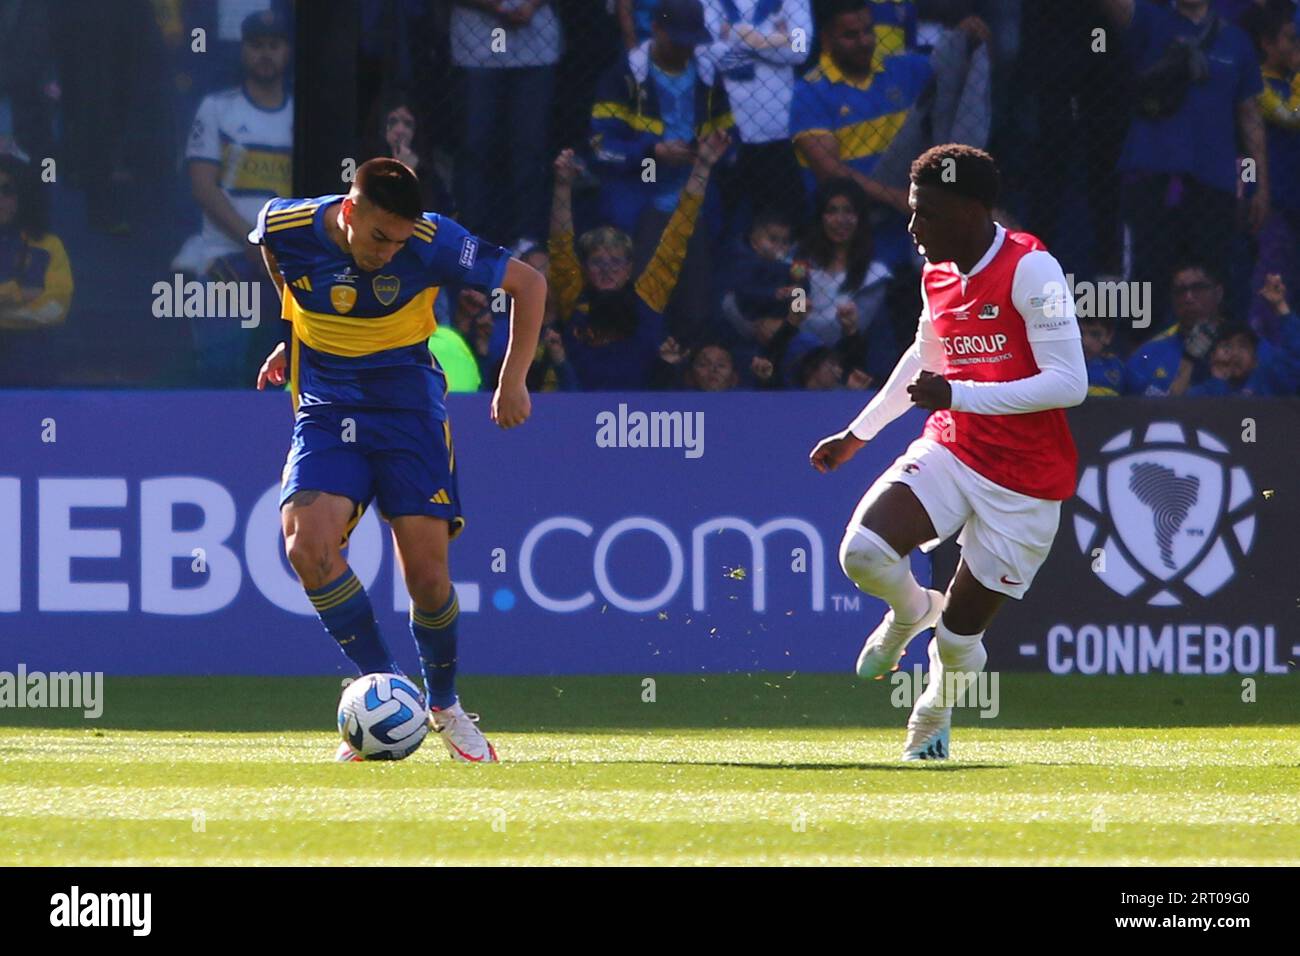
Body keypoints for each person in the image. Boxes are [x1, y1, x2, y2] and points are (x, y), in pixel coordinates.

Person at [249, 158, 546, 763]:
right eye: (380, 236)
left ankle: (443, 704)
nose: (389, 252)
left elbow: (529, 284)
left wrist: (513, 380)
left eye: (399, 241)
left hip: (407, 411)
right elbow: (275, 257)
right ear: (351, 211)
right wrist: (293, 328)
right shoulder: (287, 224)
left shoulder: (434, 240)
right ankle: (388, 691)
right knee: (307, 548)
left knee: (428, 580)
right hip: (328, 409)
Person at [808, 144, 1086, 760]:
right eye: (912, 211)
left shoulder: (1032, 269)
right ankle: (910, 611)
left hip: (1026, 481)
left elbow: (1071, 382)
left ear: (970, 210)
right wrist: (860, 433)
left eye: (926, 213)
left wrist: (959, 392)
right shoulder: (937, 273)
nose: (913, 227)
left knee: (960, 641)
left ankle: (933, 715)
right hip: (956, 449)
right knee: (863, 553)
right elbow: (924, 359)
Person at [1100, 0, 1268, 327]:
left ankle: (1206, 365)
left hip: (1214, 181)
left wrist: (1258, 185)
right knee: (1145, 281)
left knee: (1210, 280)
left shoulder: (1236, 40)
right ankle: (1143, 362)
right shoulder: (1150, 20)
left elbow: (1250, 118)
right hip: (1152, 174)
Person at [549, 132, 729, 386]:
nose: (607, 271)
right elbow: (560, 247)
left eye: (616, 263)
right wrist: (562, 186)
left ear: (629, 269)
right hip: (581, 410)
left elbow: (678, 233)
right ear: (585, 269)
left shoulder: (648, 294)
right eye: (598, 262)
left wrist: (703, 166)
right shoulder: (572, 295)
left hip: (641, 415)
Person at [173, 9, 293, 387]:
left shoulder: (301, 115)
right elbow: (202, 187)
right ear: (243, 51)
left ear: (287, 51)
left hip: (289, 264)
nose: (265, 55)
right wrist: (252, 243)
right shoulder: (217, 109)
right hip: (225, 259)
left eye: (274, 46)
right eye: (257, 46)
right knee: (220, 372)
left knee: (288, 374)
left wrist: (274, 251)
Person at [450, 0, 562, 245]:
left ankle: (527, 240)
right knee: (475, 149)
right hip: (475, 48)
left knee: (530, 149)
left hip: (536, 47)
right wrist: (496, 6)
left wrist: (530, 5)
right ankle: (472, 237)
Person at [791, 176, 897, 380]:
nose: (840, 220)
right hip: (797, 360)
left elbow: (843, 333)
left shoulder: (875, 275)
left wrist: (790, 324)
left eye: (848, 211)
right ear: (820, 216)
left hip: (844, 363)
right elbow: (793, 306)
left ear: (860, 217)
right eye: (832, 211)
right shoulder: (799, 263)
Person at [1124, 262, 1228, 395]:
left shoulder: (1249, 346)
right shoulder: (1146, 357)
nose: (1188, 298)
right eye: (1180, 291)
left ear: (1218, 293)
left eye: (1198, 288)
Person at [1189, 273, 1300, 395]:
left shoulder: (1271, 382)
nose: (1235, 353)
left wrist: (1280, 305)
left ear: (1255, 359)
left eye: (1243, 346)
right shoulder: (1201, 394)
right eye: (1227, 347)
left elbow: (1295, 355)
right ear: (1212, 357)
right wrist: (1219, 381)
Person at [0, 153, 72, 331]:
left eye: (7, 190)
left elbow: (56, 308)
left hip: (28, 350)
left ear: (24, 195)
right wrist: (19, 294)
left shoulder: (48, 245)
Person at [1080, 315, 1126, 397]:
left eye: (1095, 335)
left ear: (1108, 336)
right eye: (1080, 333)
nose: (1085, 342)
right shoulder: (1062, 365)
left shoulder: (1118, 368)